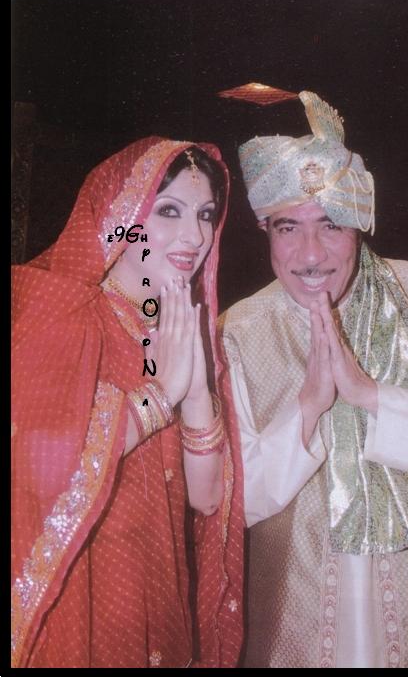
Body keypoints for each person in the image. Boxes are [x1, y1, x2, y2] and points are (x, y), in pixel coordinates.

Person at [219, 91, 408, 668]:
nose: (310, 253)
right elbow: (233, 500)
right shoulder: (237, 333)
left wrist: (372, 396)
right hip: (293, 613)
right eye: (288, 227)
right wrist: (308, 407)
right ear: (265, 230)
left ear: (360, 226)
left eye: (331, 224)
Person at [12, 137, 244, 668]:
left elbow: (207, 499)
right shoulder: (65, 316)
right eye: (169, 211)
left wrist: (196, 387)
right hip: (80, 610)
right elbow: (39, 470)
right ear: (123, 219)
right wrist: (158, 397)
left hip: (159, 602)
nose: (195, 236)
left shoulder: (182, 331)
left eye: (206, 214)